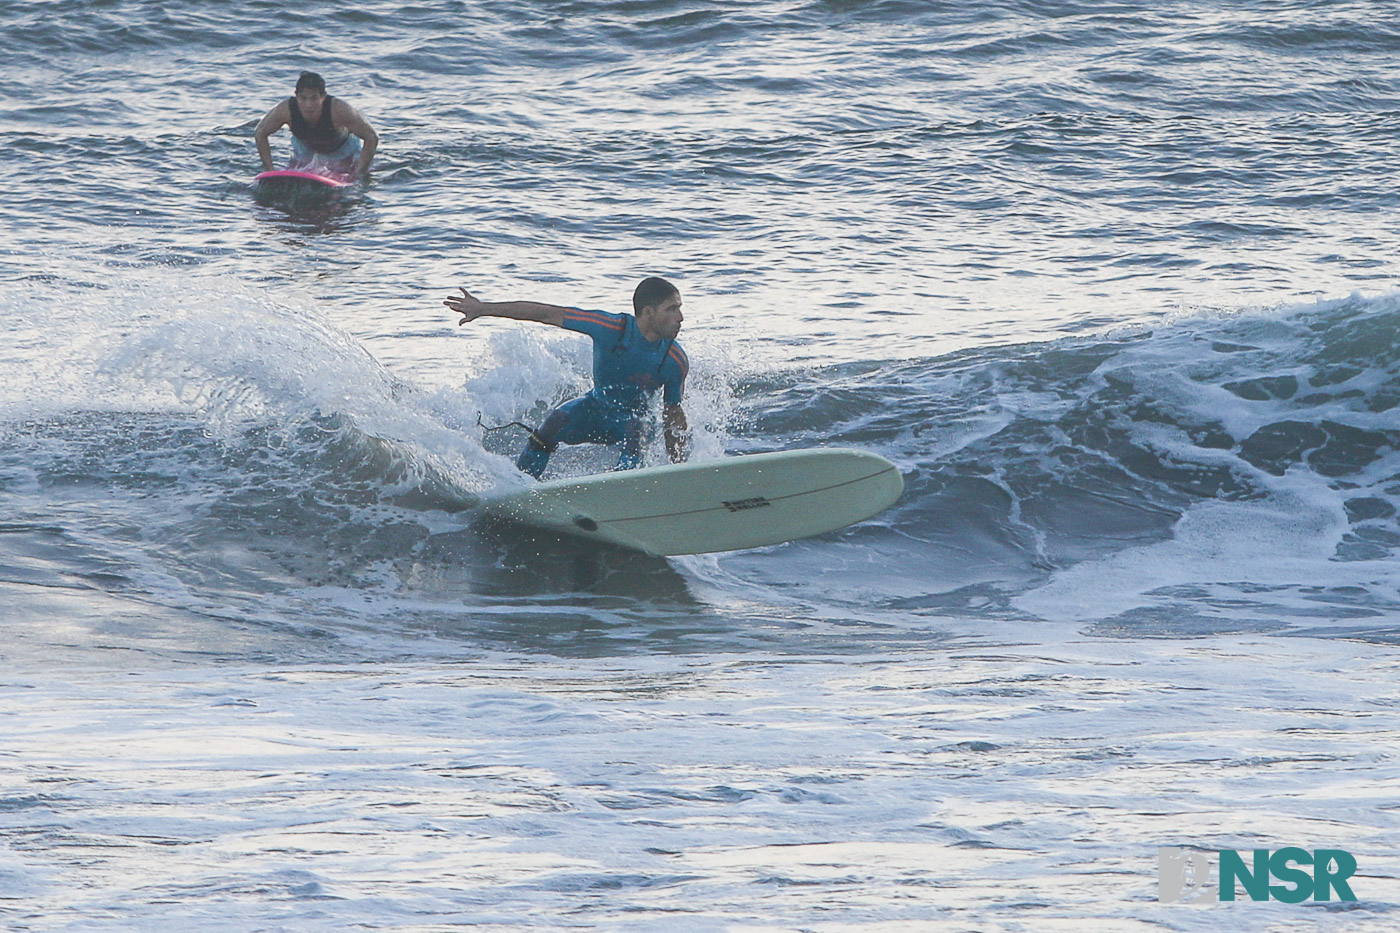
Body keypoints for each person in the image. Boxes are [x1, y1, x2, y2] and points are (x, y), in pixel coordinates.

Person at [445, 277, 690, 478]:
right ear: (648, 312)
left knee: (636, 430)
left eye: (679, 308)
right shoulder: (612, 328)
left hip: (632, 423)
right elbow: (547, 314)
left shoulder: (674, 360)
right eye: (672, 309)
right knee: (552, 424)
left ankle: (620, 496)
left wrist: (680, 471)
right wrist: (484, 309)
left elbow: (673, 417)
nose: (680, 317)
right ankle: (521, 488)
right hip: (595, 408)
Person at [254, 71, 378, 178]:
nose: (308, 105)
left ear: (323, 97)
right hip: (305, 149)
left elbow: (371, 137)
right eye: (303, 98)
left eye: (314, 98)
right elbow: (260, 133)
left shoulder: (339, 110)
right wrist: (269, 169)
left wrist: (359, 173)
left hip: (343, 150)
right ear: (296, 95)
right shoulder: (285, 110)